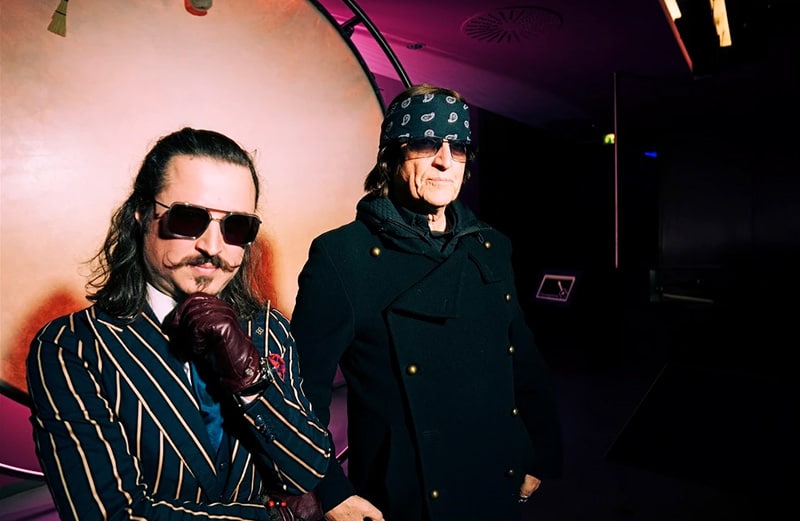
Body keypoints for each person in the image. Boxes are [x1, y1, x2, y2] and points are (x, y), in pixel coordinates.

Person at [26, 127, 331, 520]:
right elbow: (112, 514)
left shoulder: (269, 329)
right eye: (189, 218)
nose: (212, 246)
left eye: (236, 227)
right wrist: (272, 516)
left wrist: (251, 384)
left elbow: (308, 470)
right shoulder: (72, 347)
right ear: (141, 213)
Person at [290, 84, 563, 521]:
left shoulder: (491, 246)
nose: (444, 160)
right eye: (425, 143)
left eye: (458, 148)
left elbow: (522, 359)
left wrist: (539, 451)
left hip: (495, 479)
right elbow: (303, 392)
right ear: (392, 155)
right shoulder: (342, 256)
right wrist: (331, 491)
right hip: (405, 496)